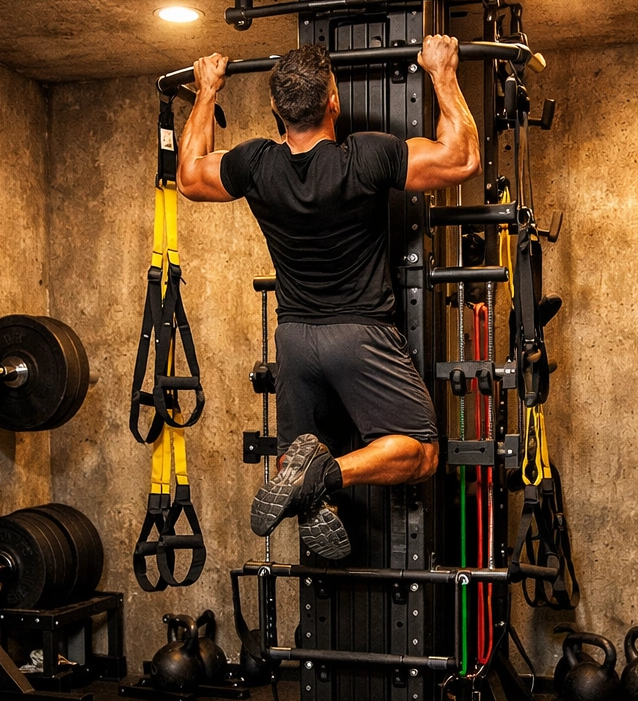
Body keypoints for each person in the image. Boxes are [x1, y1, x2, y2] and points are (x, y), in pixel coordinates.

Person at [175, 35, 480, 559]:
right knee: (423, 453)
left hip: (294, 341)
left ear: (275, 108)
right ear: (333, 101)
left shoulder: (255, 165)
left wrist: (206, 92)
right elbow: (462, 158)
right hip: (359, 335)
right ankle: (326, 476)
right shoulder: (366, 157)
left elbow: (188, 175)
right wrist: (442, 72)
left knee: (303, 450)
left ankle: (309, 479)